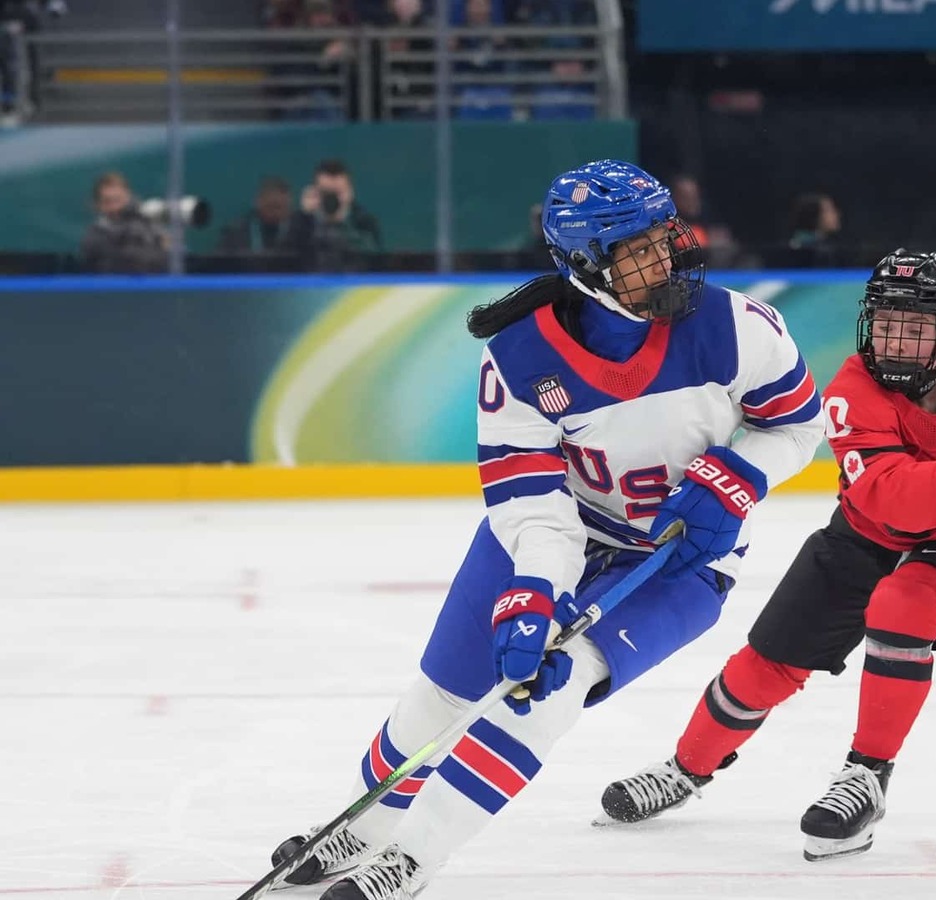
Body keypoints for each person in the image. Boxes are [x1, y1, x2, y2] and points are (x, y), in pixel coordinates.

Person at [263, 159, 826, 899]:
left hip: (680, 561)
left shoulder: (734, 327)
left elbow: (796, 424)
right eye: (638, 250)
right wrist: (536, 588)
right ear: (587, 266)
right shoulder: (520, 358)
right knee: (444, 692)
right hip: (556, 533)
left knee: (547, 693)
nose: (665, 259)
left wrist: (740, 475)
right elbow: (532, 500)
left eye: (663, 237)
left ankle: (412, 860)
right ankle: (362, 829)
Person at [598, 249, 936, 861]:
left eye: (916, 328)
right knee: (764, 665)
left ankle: (866, 776)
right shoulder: (850, 393)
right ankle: (686, 768)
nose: (896, 341)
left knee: (901, 608)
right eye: (888, 322)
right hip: (868, 533)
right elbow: (890, 497)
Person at [78, 171, 169, 274]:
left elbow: (174, 254)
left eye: (118, 200)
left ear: (128, 197)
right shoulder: (94, 236)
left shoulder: (150, 225)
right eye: (107, 202)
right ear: (98, 205)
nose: (114, 208)